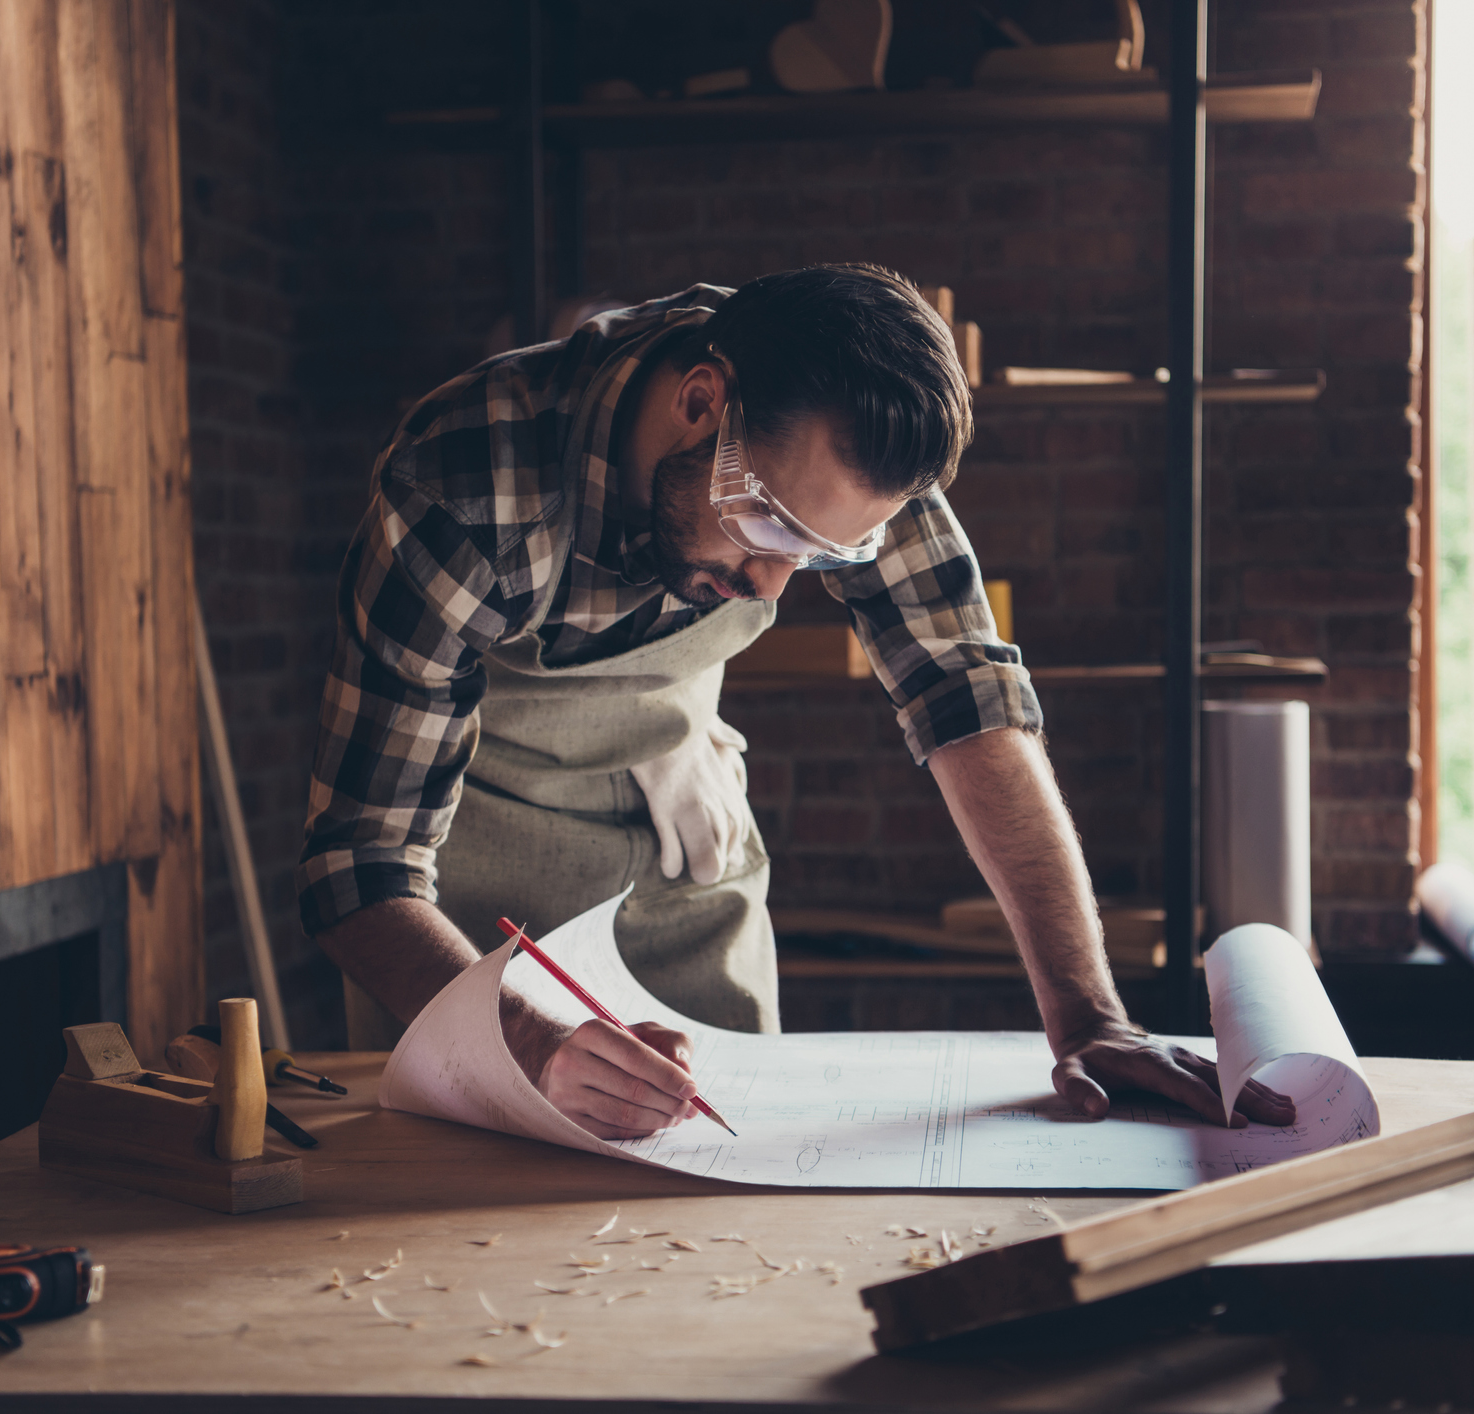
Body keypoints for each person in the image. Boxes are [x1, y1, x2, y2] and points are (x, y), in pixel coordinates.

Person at [297, 264, 1292, 1140]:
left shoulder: (847, 451)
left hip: (680, 857)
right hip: (471, 914)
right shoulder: (467, 486)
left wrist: (1088, 1015)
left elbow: (966, 699)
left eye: (821, 556)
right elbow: (361, 865)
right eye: (766, 527)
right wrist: (522, 1031)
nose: (775, 587)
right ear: (701, 403)